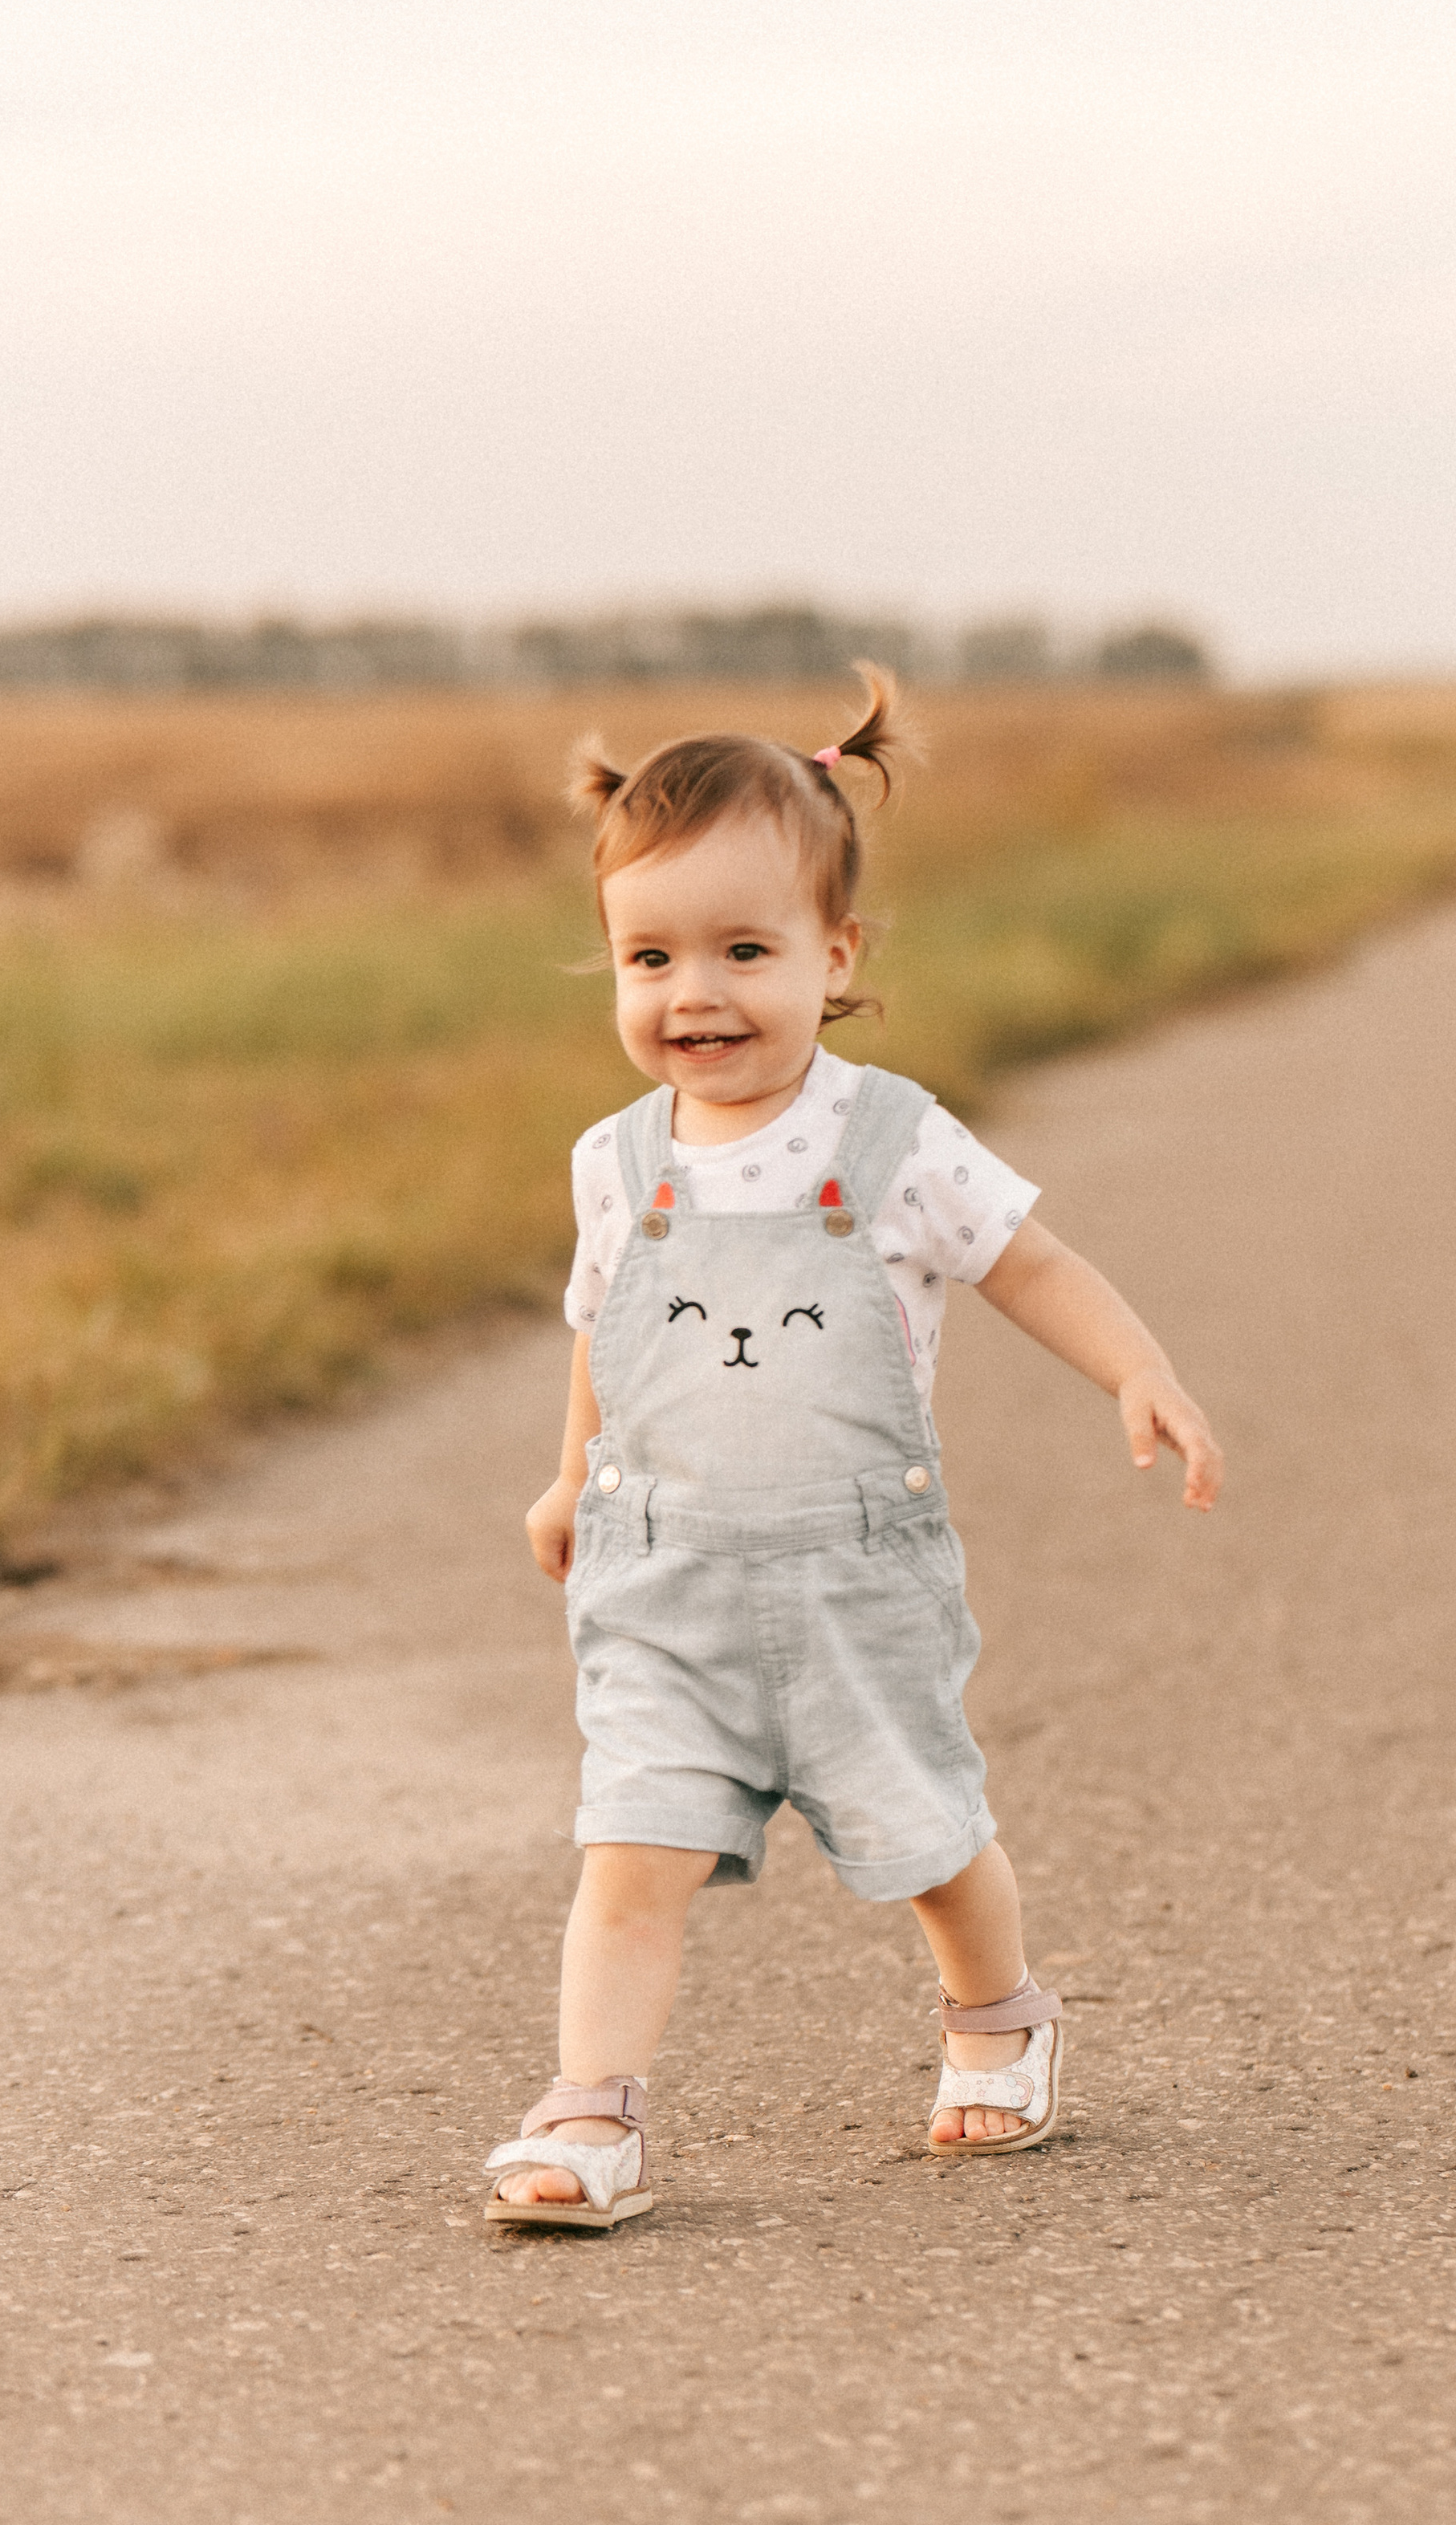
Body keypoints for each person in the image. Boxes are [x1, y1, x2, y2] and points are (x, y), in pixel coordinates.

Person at [484, 670, 1222, 2230]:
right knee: (630, 1850)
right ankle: (589, 2110)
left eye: (744, 952)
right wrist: (571, 1473)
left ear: (834, 958)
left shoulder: (888, 1140)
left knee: (923, 1838)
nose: (695, 993)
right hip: (663, 1584)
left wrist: (1133, 1365)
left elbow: (1025, 1262)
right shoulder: (611, 1165)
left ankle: (997, 2015)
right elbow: (601, 1330)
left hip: (851, 1588)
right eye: (650, 955)